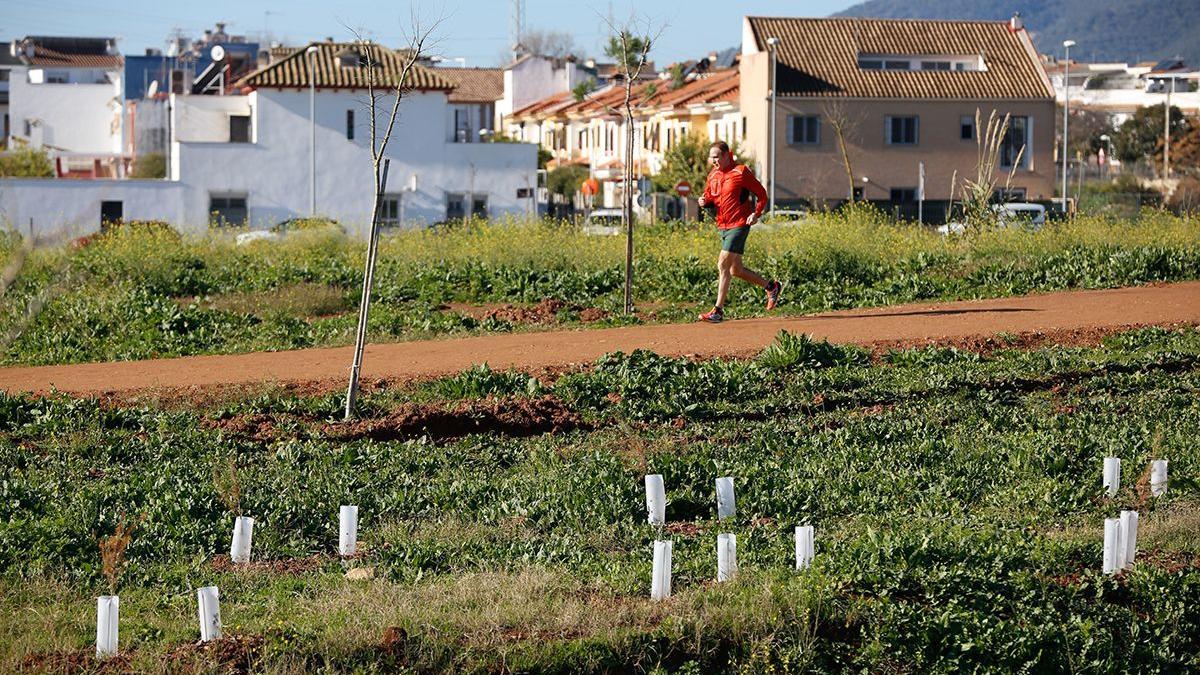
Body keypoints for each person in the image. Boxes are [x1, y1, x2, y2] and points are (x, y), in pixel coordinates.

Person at [695, 141, 781, 323]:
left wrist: (756, 214)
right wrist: (703, 201)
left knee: (723, 264)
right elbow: (709, 196)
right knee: (736, 270)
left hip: (740, 224)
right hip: (723, 226)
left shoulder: (741, 172)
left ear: (728, 155)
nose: (714, 160)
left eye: (717, 156)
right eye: (712, 157)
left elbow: (762, 194)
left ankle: (717, 311)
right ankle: (771, 286)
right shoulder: (713, 175)